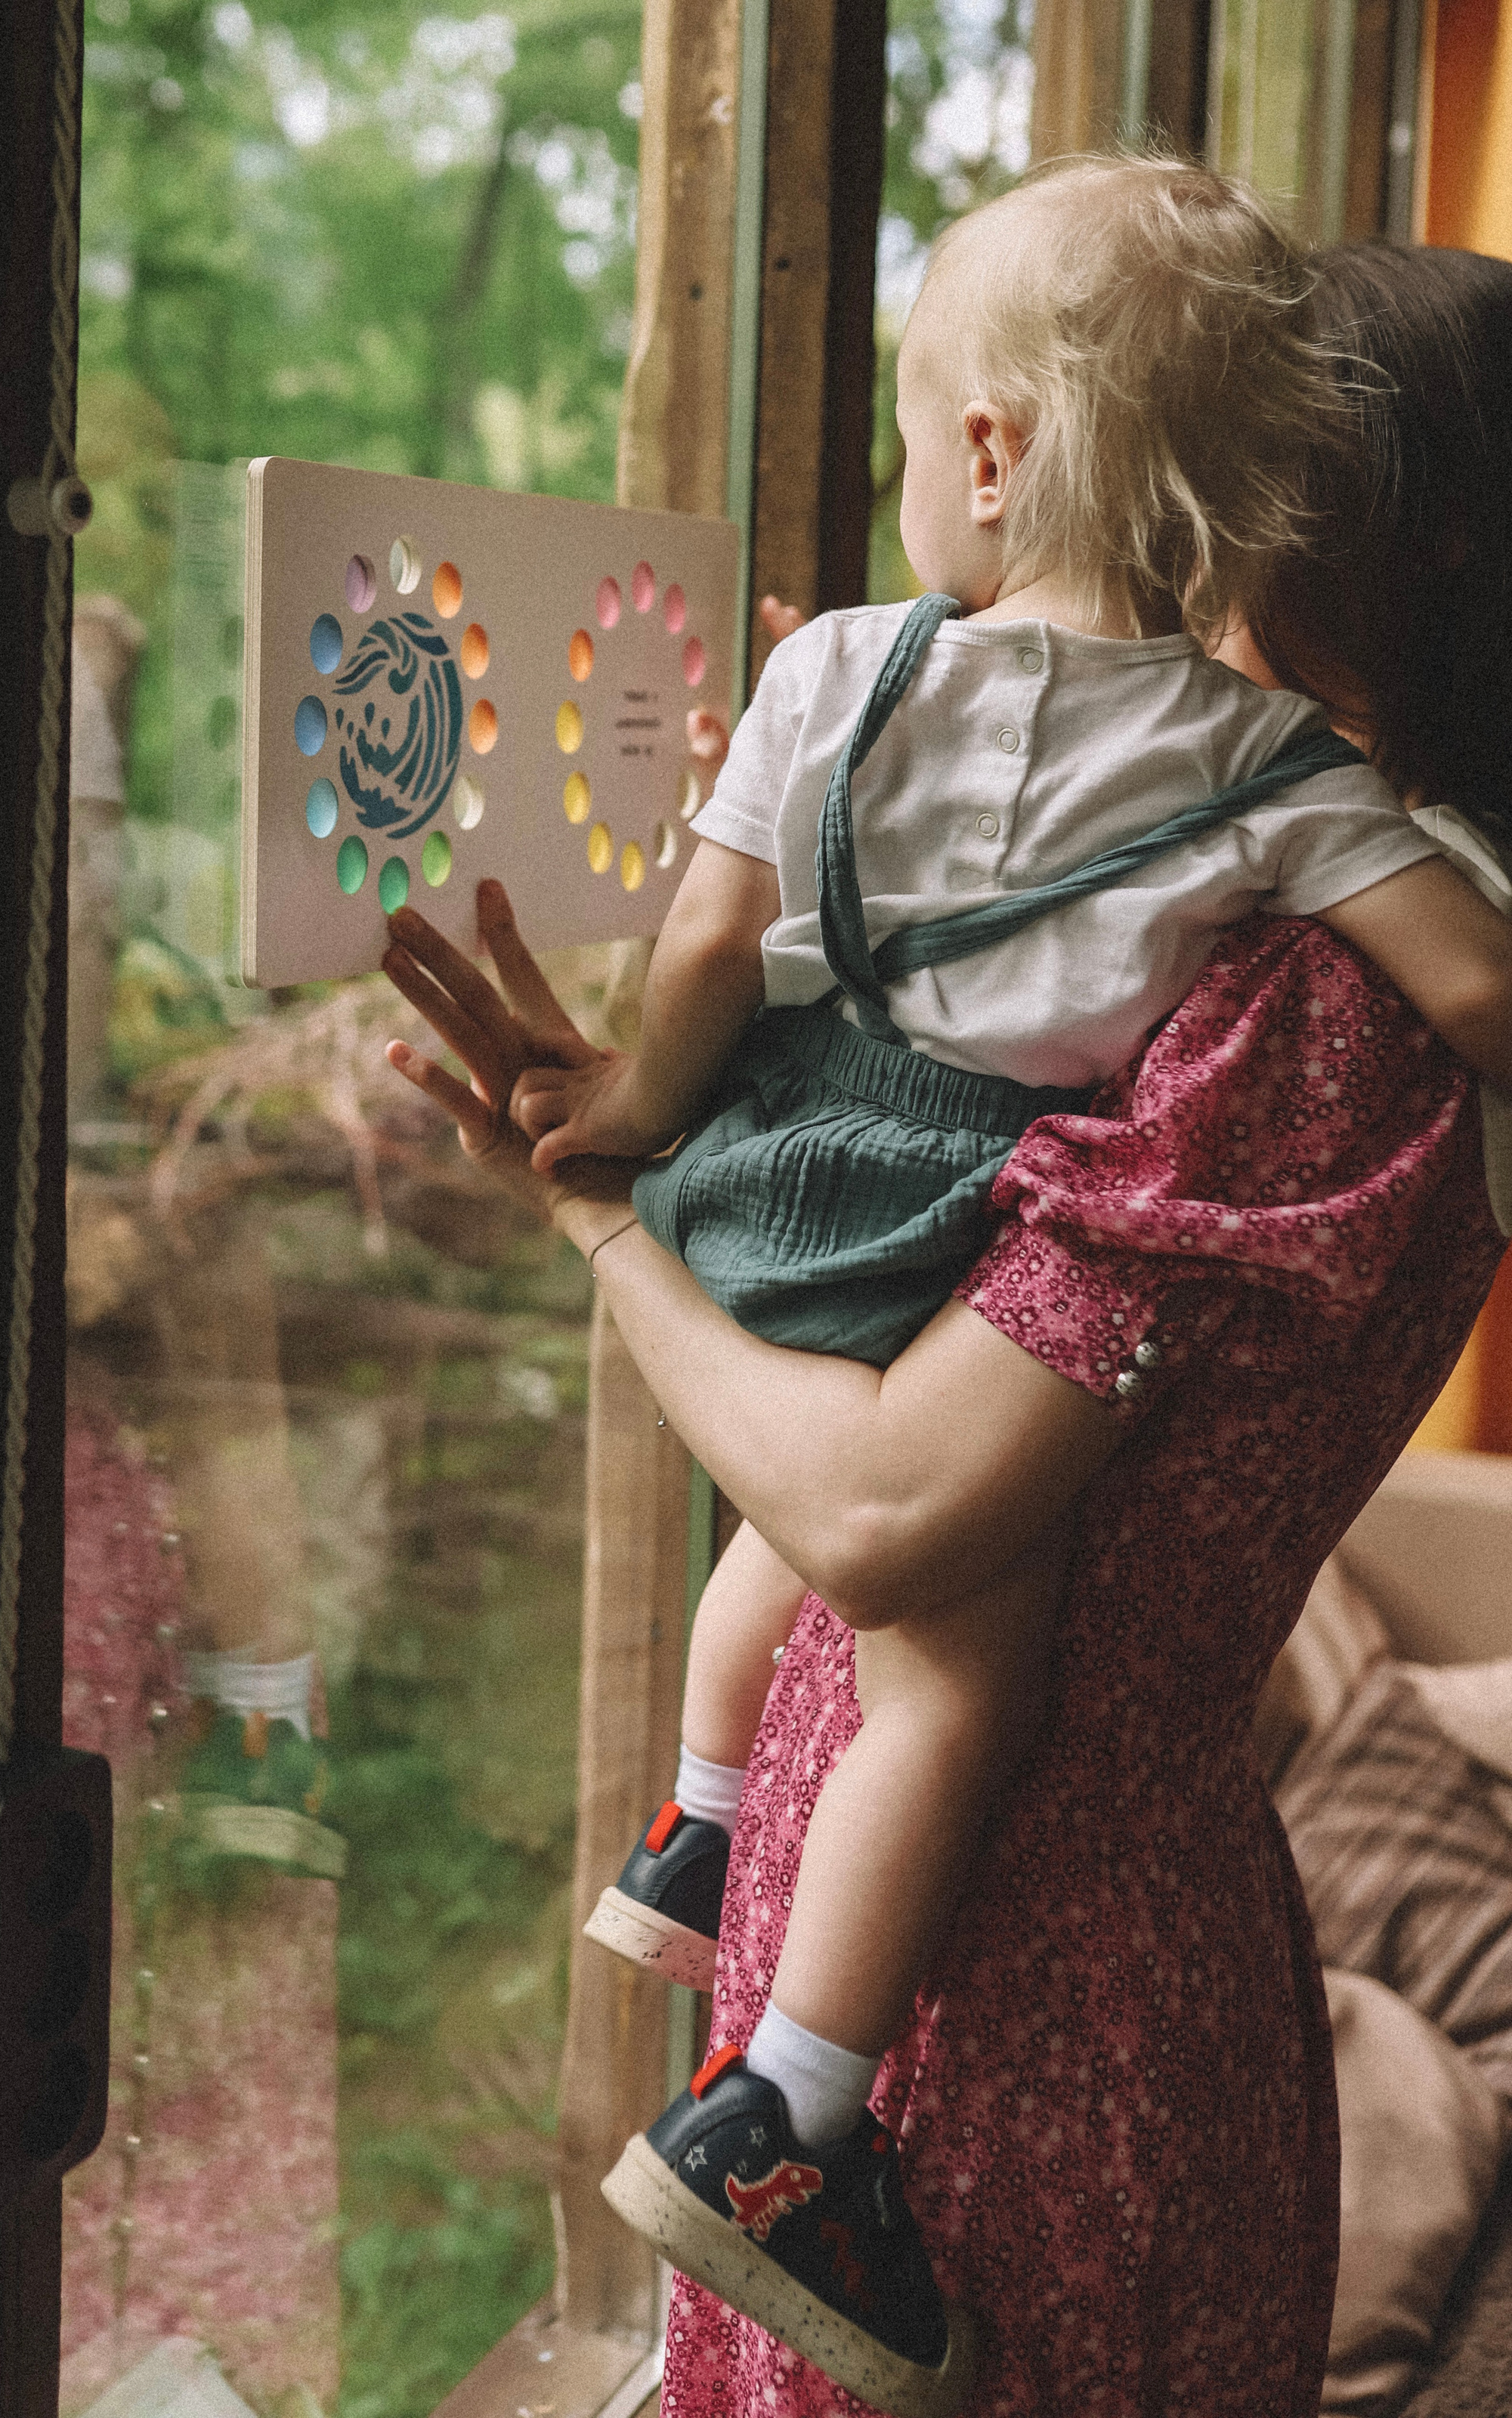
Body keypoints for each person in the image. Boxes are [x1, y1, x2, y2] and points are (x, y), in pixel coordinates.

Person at [378, 240, 1512, 2416]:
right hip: (1024, 1949)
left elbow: (889, 1513)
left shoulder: (1328, 999)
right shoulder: (1286, 885)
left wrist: (605, 1215)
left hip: (1003, 2021)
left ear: (1376, 531)